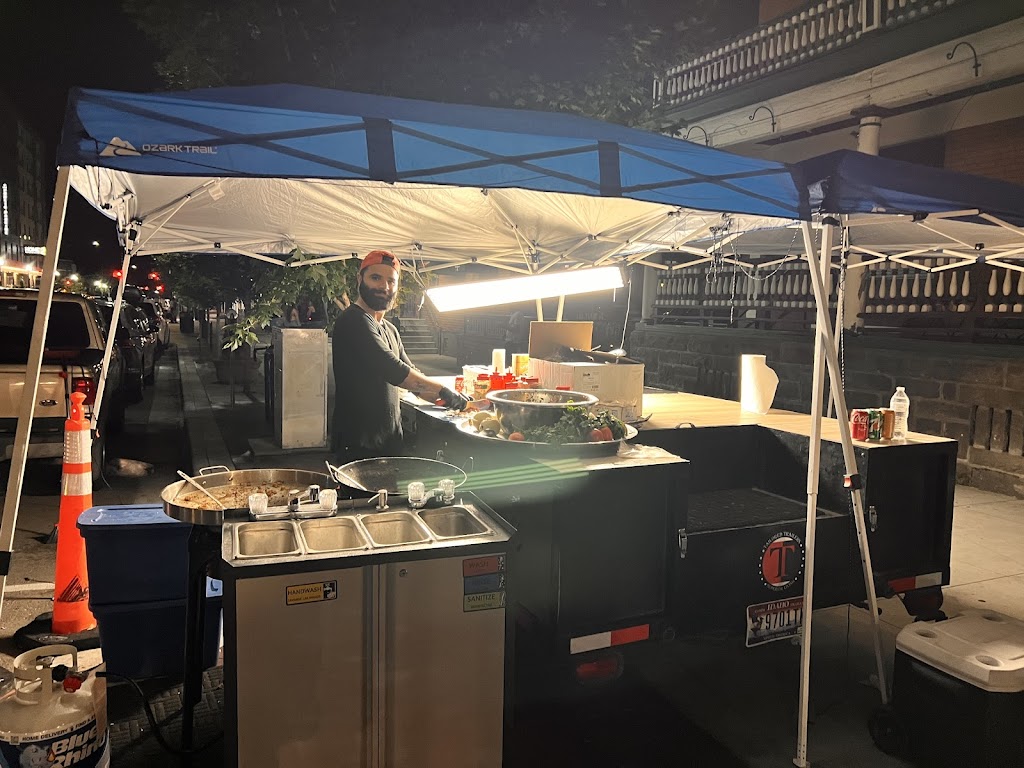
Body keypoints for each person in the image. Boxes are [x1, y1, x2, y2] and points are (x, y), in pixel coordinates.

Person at [331, 250, 471, 461]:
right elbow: (396, 372)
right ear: (360, 279)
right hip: (358, 445)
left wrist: (458, 402)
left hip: (389, 442)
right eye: (375, 278)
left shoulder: (390, 329)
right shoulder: (353, 321)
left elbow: (414, 379)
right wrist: (448, 394)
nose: (384, 286)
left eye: (391, 281)